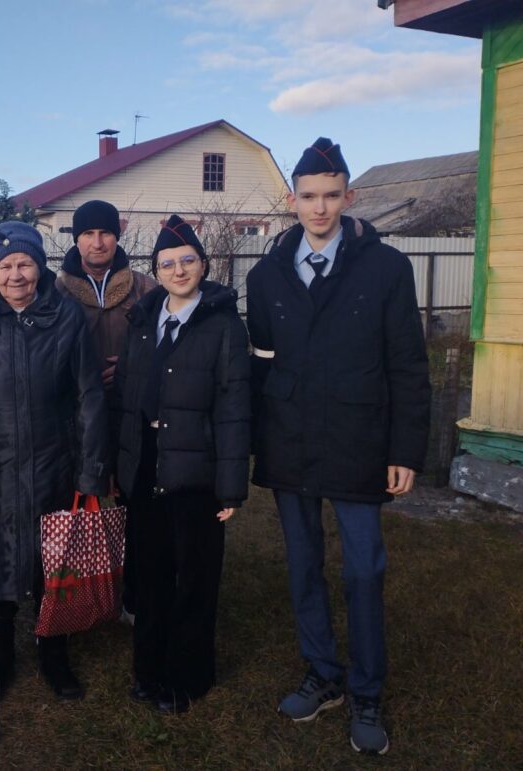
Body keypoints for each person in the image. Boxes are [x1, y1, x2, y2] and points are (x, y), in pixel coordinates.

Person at [246, 137, 431, 755]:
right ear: (292, 201)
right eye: (308, 196)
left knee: (363, 569)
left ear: (349, 197)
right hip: (291, 442)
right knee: (303, 565)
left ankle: (366, 690)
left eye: (331, 195)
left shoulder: (387, 269)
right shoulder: (265, 276)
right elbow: (261, 364)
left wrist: (405, 450)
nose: (319, 208)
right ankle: (323, 672)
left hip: (359, 440)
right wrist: (254, 444)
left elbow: (408, 366)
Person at [0, 220, 109, 703]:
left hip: (56, 462)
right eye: (6, 266)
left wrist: (89, 470)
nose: (16, 275)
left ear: (39, 267)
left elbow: (88, 397)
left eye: (25, 264)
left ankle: (54, 653)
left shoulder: (67, 316)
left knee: (55, 563)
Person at [115, 215, 250, 714]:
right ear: (156, 270)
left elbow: (235, 407)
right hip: (147, 464)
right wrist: (120, 466)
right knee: (150, 574)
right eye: (168, 263)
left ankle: (188, 677)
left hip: (198, 471)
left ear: (203, 265)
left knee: (194, 577)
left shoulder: (223, 325)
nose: (178, 270)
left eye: (187, 260)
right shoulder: (142, 320)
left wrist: (230, 486)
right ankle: (148, 670)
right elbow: (125, 398)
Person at [55, 199, 157, 621]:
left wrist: (133, 365)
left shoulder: (145, 287)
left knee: (136, 506)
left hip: (133, 412)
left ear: (118, 235)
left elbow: (166, 345)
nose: (97, 242)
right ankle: (77, 592)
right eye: (88, 234)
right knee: (79, 504)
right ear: (76, 239)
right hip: (77, 418)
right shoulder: (56, 291)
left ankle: (133, 594)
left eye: (105, 233)